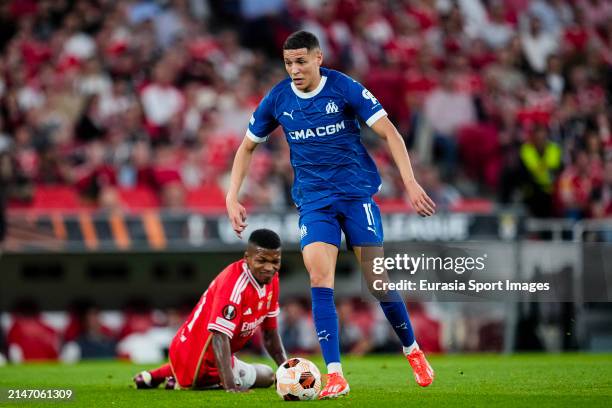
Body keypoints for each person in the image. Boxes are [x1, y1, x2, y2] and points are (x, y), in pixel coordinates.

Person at [226, 31, 435, 399]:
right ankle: (336, 375)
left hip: (356, 197)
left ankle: (412, 350)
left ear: (318, 58)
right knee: (320, 277)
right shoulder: (278, 98)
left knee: (376, 280)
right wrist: (232, 196)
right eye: (288, 63)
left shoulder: (344, 88)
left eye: (301, 61)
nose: (294, 69)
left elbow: (390, 133)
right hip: (314, 202)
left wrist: (410, 182)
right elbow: (246, 148)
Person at [133, 229, 287, 392]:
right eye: (261, 260)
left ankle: (158, 376)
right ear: (247, 258)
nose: (269, 267)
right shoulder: (234, 285)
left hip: (202, 354)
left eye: (275, 261)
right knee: (268, 376)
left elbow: (270, 334)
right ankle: (184, 381)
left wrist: (288, 371)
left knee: (269, 374)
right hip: (198, 362)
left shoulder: (272, 281)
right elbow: (219, 337)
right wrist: (231, 387)